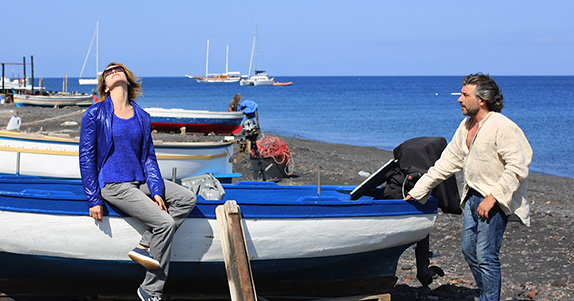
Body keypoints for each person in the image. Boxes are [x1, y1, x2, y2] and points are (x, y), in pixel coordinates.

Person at [404, 73, 532, 301]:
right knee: (468, 250)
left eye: (465, 95)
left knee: (486, 255)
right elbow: (446, 163)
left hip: (493, 200)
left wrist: (493, 197)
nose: (459, 99)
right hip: (472, 197)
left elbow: (518, 166)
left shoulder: (502, 126)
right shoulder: (466, 126)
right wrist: (418, 191)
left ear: (482, 99)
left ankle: (488, 298)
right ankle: (486, 293)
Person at [79, 62, 197, 301]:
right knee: (164, 223)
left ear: (127, 77)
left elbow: (148, 157)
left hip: (139, 180)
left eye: (117, 69)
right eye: (107, 72)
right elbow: (86, 156)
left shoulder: (141, 116)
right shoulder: (95, 114)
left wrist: (156, 190)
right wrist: (93, 198)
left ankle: (145, 244)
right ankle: (151, 289)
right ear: (104, 84)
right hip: (114, 185)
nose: (112, 72)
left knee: (187, 198)